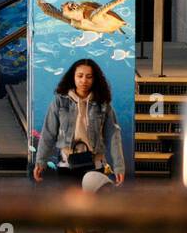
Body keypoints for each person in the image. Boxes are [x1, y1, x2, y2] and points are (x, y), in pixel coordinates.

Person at [33, 58, 126, 187]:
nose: (84, 81)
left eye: (89, 77)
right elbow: (48, 133)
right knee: (68, 205)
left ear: (94, 79)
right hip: (67, 163)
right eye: (80, 76)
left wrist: (119, 166)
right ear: (73, 77)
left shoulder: (103, 104)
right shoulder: (60, 101)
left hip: (95, 164)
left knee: (92, 205)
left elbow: (113, 136)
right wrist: (41, 161)